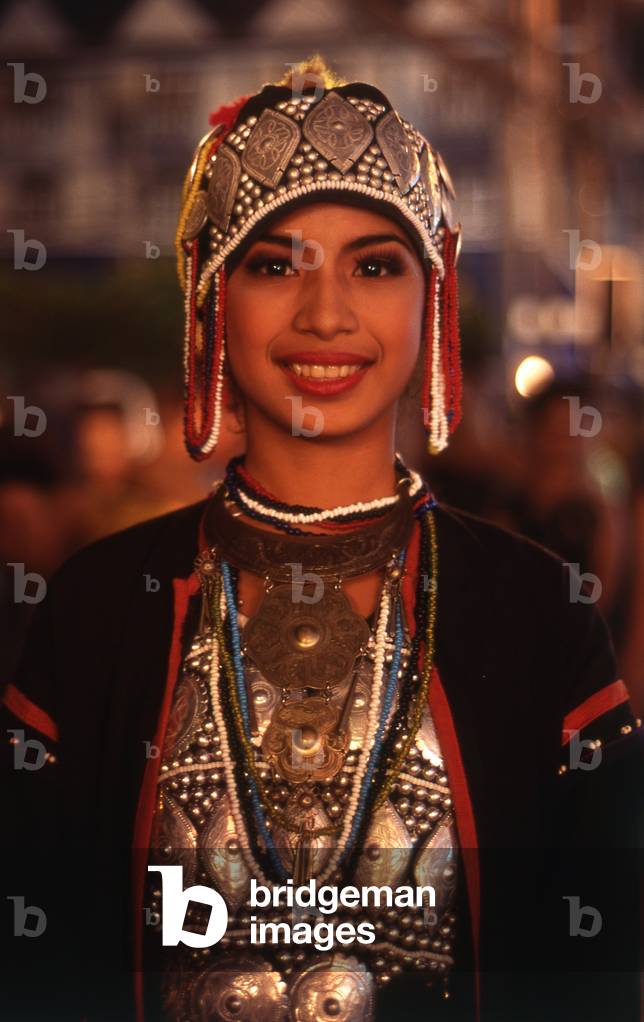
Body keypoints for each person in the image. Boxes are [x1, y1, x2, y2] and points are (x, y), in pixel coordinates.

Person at [3, 56, 641, 1022]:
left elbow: (594, 973)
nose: (326, 313)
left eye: (374, 266)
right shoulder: (98, 607)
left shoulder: (537, 613)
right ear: (212, 298)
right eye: (274, 265)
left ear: (431, 298)